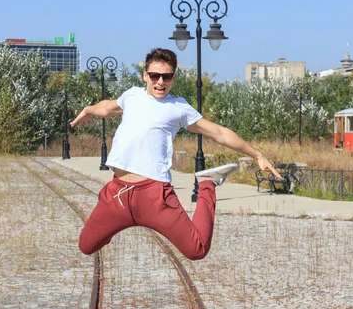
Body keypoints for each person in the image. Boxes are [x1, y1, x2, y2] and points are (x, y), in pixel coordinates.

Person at [70, 47, 281, 261]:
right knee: (86, 245)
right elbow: (107, 108)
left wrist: (257, 154)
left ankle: (207, 184)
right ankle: (115, 224)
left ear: (173, 78)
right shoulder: (131, 96)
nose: (160, 82)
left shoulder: (178, 107)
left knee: (196, 249)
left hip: (154, 195)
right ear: (145, 75)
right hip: (118, 194)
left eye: (167, 77)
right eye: (155, 75)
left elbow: (219, 133)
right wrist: (89, 109)